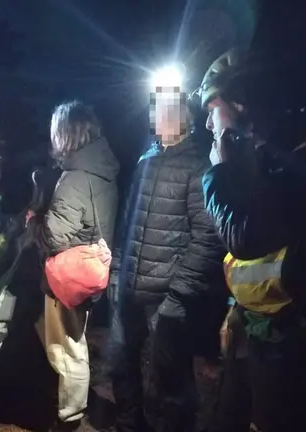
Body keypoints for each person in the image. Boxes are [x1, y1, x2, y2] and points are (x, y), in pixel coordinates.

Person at [195, 49, 306, 432]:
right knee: (227, 418)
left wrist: (219, 173)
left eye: (213, 111)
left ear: (242, 104)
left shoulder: (305, 159)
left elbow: (244, 237)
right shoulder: (264, 158)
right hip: (255, 326)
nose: (210, 126)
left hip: (292, 340)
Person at [107, 84, 227, 432]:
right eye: (155, 109)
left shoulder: (197, 166)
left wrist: (179, 294)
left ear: (185, 116)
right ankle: (130, 427)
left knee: (170, 382)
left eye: (168, 109)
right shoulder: (146, 159)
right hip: (130, 289)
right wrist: (117, 271)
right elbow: (128, 222)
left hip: (166, 298)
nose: (159, 116)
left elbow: (207, 237)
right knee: (119, 365)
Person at [27, 100, 120, 431]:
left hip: (68, 276)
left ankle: (70, 417)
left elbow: (54, 236)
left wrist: (33, 220)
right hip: (90, 273)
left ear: (64, 134)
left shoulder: (75, 177)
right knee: (62, 337)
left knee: (68, 350)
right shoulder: (104, 168)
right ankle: (72, 402)